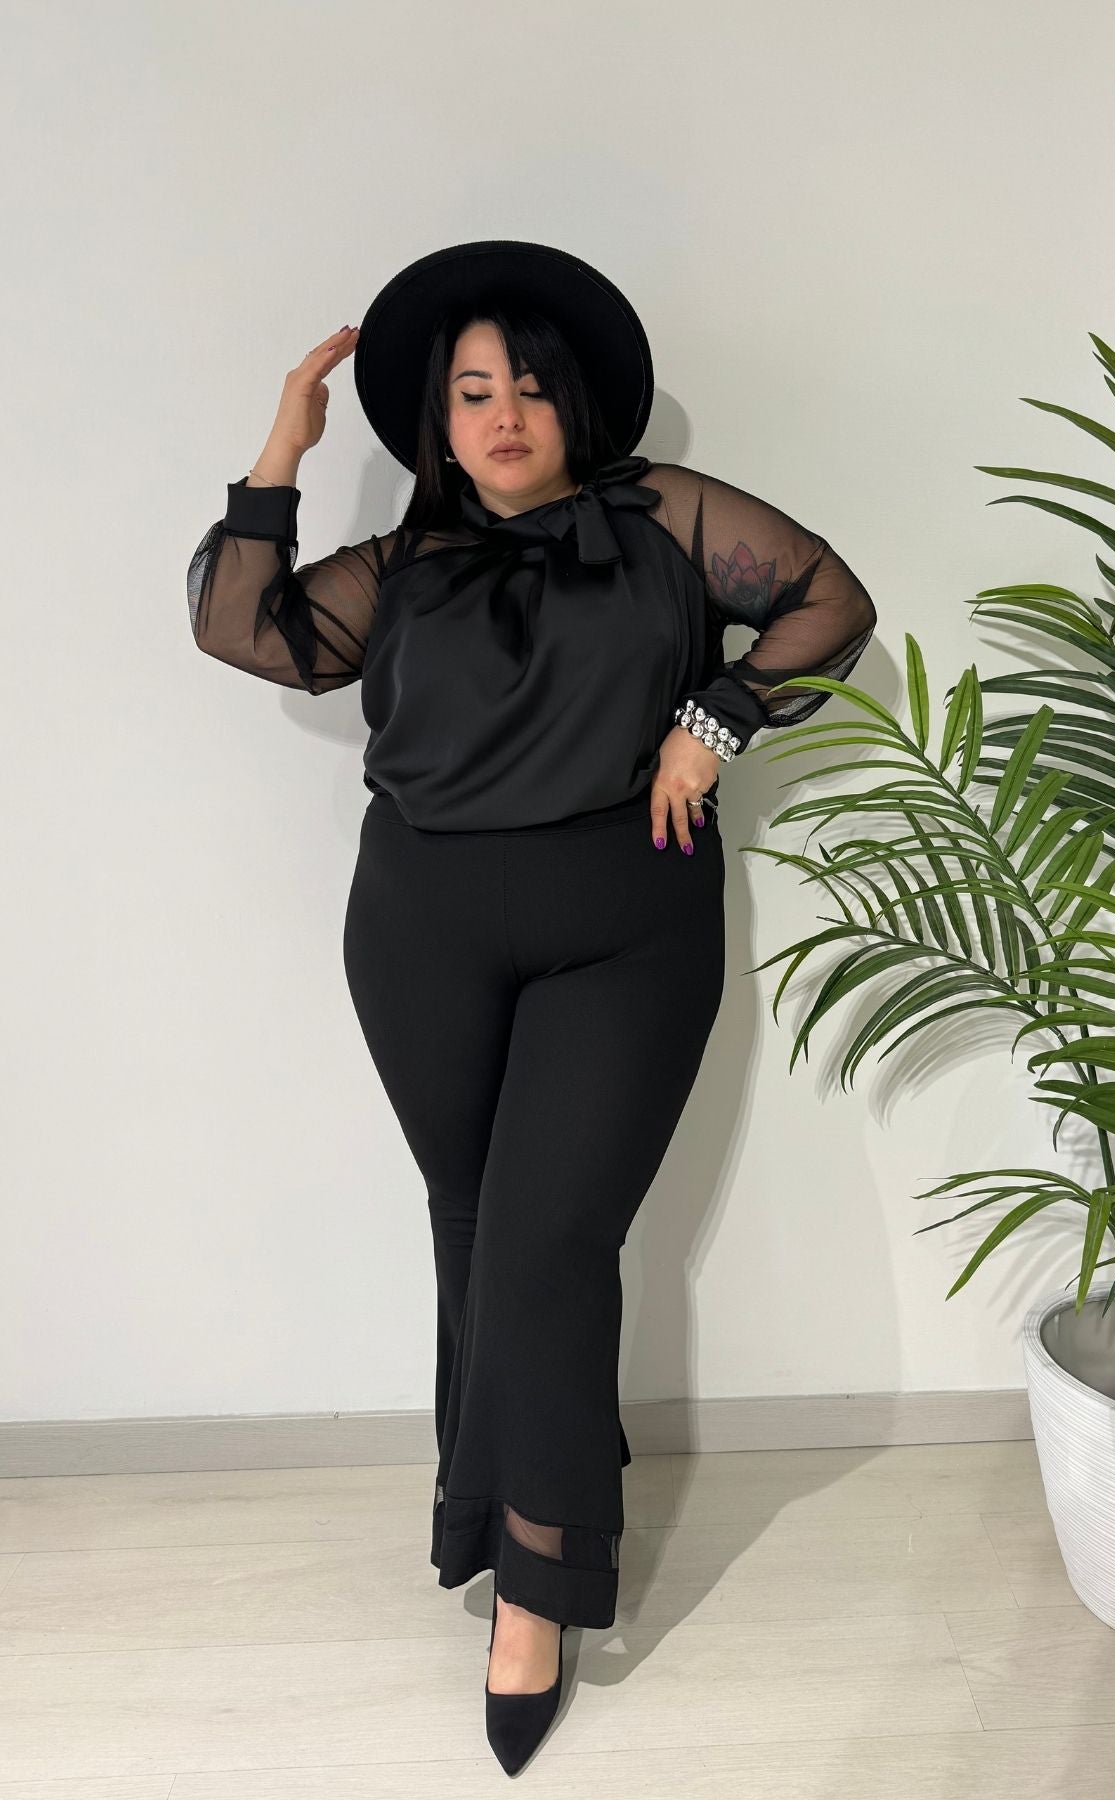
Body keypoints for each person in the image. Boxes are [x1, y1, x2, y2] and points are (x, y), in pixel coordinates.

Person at [185, 239, 877, 1775]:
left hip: (625, 925)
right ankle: (489, 1503)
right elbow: (246, 630)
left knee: (548, 1241)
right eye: (471, 392)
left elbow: (830, 601)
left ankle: (536, 1586)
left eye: (528, 389)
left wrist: (718, 717)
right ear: (440, 420)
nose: (502, 416)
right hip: (419, 932)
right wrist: (283, 447)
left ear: (575, 403)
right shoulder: (404, 566)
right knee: (476, 1226)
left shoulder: (667, 520)